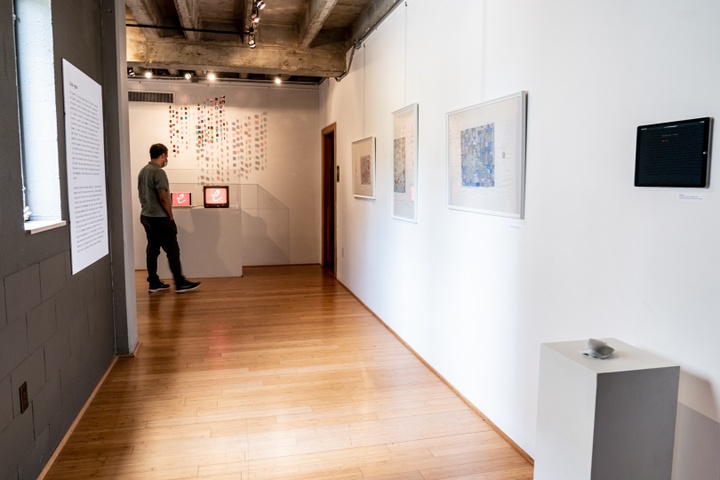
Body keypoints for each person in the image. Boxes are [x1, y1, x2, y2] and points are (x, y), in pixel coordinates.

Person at [137, 143, 201, 293]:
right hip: (159, 217)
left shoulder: (143, 171)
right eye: (166, 156)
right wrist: (170, 215)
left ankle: (153, 282)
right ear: (163, 155)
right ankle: (180, 282)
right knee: (172, 250)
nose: (166, 159)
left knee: (152, 250)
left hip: (146, 215)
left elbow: (141, 194)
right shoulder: (158, 172)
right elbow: (163, 196)